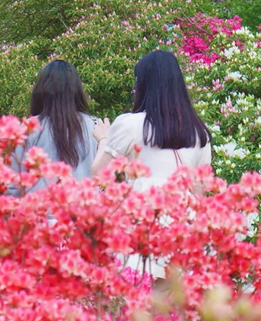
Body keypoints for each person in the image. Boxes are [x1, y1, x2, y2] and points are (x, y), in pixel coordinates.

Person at [90, 50, 213, 279]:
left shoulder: (129, 125)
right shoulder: (198, 132)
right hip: (181, 230)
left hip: (139, 226)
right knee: (174, 309)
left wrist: (104, 138)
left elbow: (99, 175)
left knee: (137, 305)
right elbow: (199, 192)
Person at [8, 60, 98, 196]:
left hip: (40, 213)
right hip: (84, 212)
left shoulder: (29, 128)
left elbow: (13, 186)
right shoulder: (95, 126)